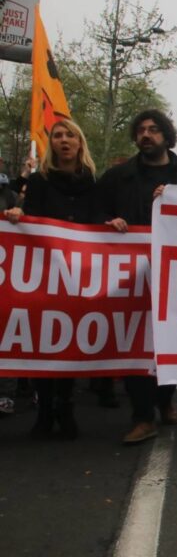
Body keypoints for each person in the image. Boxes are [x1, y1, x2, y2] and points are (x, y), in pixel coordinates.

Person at [95, 109, 177, 445]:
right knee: (137, 341)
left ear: (166, 135)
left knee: (170, 339)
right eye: (142, 130)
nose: (147, 135)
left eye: (154, 129)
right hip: (130, 273)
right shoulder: (118, 177)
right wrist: (110, 221)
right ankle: (142, 416)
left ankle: (164, 400)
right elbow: (96, 211)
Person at [4, 119, 98, 439]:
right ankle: (45, 411)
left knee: (69, 341)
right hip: (45, 273)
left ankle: (66, 407)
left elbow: (96, 221)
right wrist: (19, 215)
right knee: (45, 340)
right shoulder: (41, 181)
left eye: (69, 134)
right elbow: (31, 215)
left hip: (77, 275)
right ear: (52, 145)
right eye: (57, 135)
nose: (63, 140)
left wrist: (111, 223)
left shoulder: (92, 183)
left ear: (79, 142)